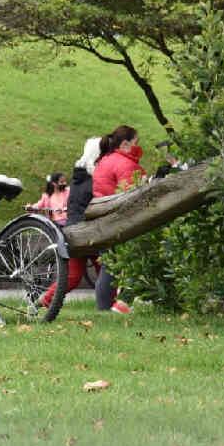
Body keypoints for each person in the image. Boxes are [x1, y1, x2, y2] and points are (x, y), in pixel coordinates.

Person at [38, 138, 101, 308]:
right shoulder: (94, 179)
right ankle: (112, 305)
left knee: (72, 275)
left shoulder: (78, 178)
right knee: (106, 270)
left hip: (73, 230)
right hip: (90, 232)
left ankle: (46, 300)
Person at [92, 125, 147, 314]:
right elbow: (131, 196)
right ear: (125, 144)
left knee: (109, 266)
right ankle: (122, 304)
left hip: (103, 219)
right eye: (136, 142)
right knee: (141, 258)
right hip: (121, 221)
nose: (138, 146)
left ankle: (104, 310)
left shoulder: (104, 160)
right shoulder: (126, 164)